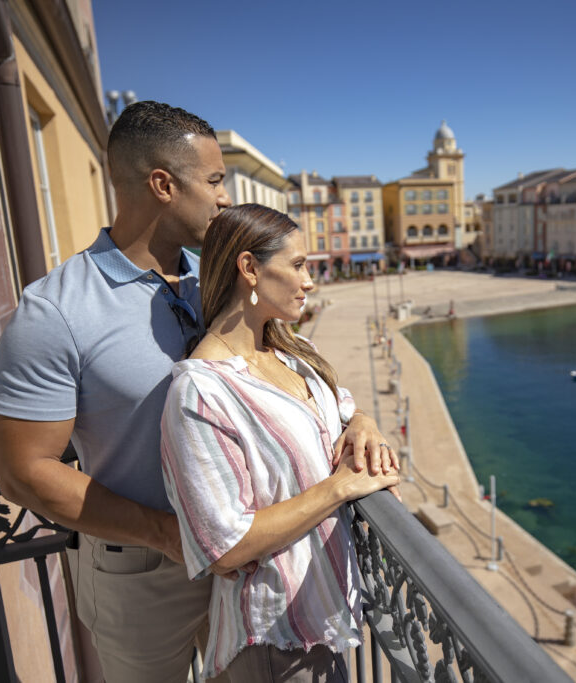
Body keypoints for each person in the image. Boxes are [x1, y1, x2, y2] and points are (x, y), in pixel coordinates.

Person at [0, 102, 387, 682]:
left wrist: (360, 421)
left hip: (258, 561)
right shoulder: (56, 310)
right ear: (163, 185)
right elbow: (22, 471)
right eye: (215, 180)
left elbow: (294, 379)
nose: (225, 198)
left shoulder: (226, 283)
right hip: (145, 573)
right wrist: (169, 534)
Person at [160, 204, 399, 681]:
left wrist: (364, 422)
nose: (309, 280)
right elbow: (224, 547)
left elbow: (338, 407)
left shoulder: (288, 352)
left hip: (323, 623)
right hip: (276, 640)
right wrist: (339, 488)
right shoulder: (201, 392)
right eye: (298, 265)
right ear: (249, 268)